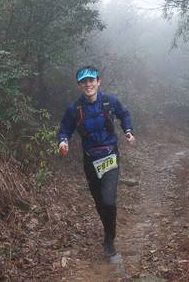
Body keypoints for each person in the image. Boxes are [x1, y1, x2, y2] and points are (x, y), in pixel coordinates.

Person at [57, 65, 135, 258]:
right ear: (79, 85)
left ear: (98, 82)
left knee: (108, 200)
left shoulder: (109, 101)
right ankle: (108, 231)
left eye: (91, 80)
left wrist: (128, 131)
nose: (88, 84)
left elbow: (124, 114)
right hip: (90, 160)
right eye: (83, 82)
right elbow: (64, 129)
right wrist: (63, 141)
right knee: (99, 202)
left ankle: (109, 239)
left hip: (110, 156)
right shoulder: (74, 108)